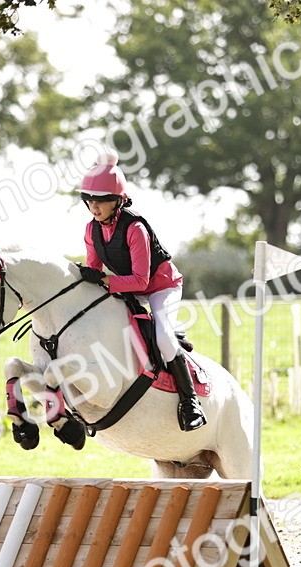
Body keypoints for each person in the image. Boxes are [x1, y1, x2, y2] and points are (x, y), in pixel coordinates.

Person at [77, 152, 206, 431]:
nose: (94, 206)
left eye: (101, 200)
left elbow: (140, 280)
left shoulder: (135, 228)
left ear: (119, 200)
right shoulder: (91, 230)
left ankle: (190, 403)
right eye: (90, 200)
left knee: (163, 337)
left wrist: (105, 280)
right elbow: (94, 271)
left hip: (161, 286)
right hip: (129, 287)